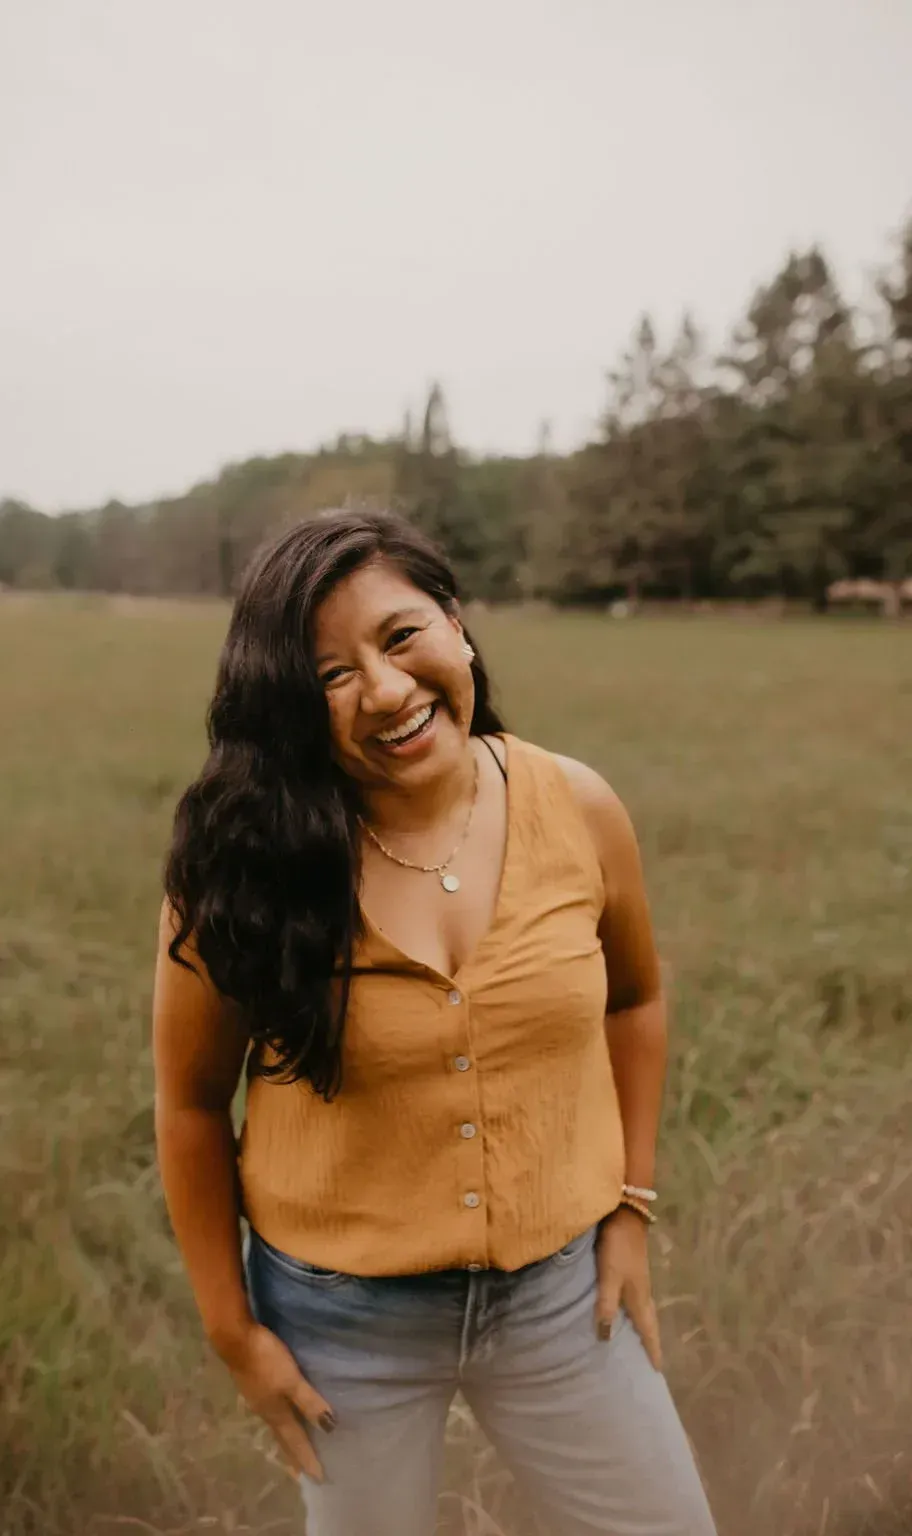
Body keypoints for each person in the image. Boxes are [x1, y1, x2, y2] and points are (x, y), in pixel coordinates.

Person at [152, 508, 717, 1536]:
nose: (384, 691)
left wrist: (630, 1209)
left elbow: (635, 998)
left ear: (457, 624)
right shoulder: (246, 866)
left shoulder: (578, 806)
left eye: (400, 635)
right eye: (329, 676)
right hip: (340, 1324)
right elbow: (191, 1104)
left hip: (561, 1297)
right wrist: (234, 1332)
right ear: (289, 706)